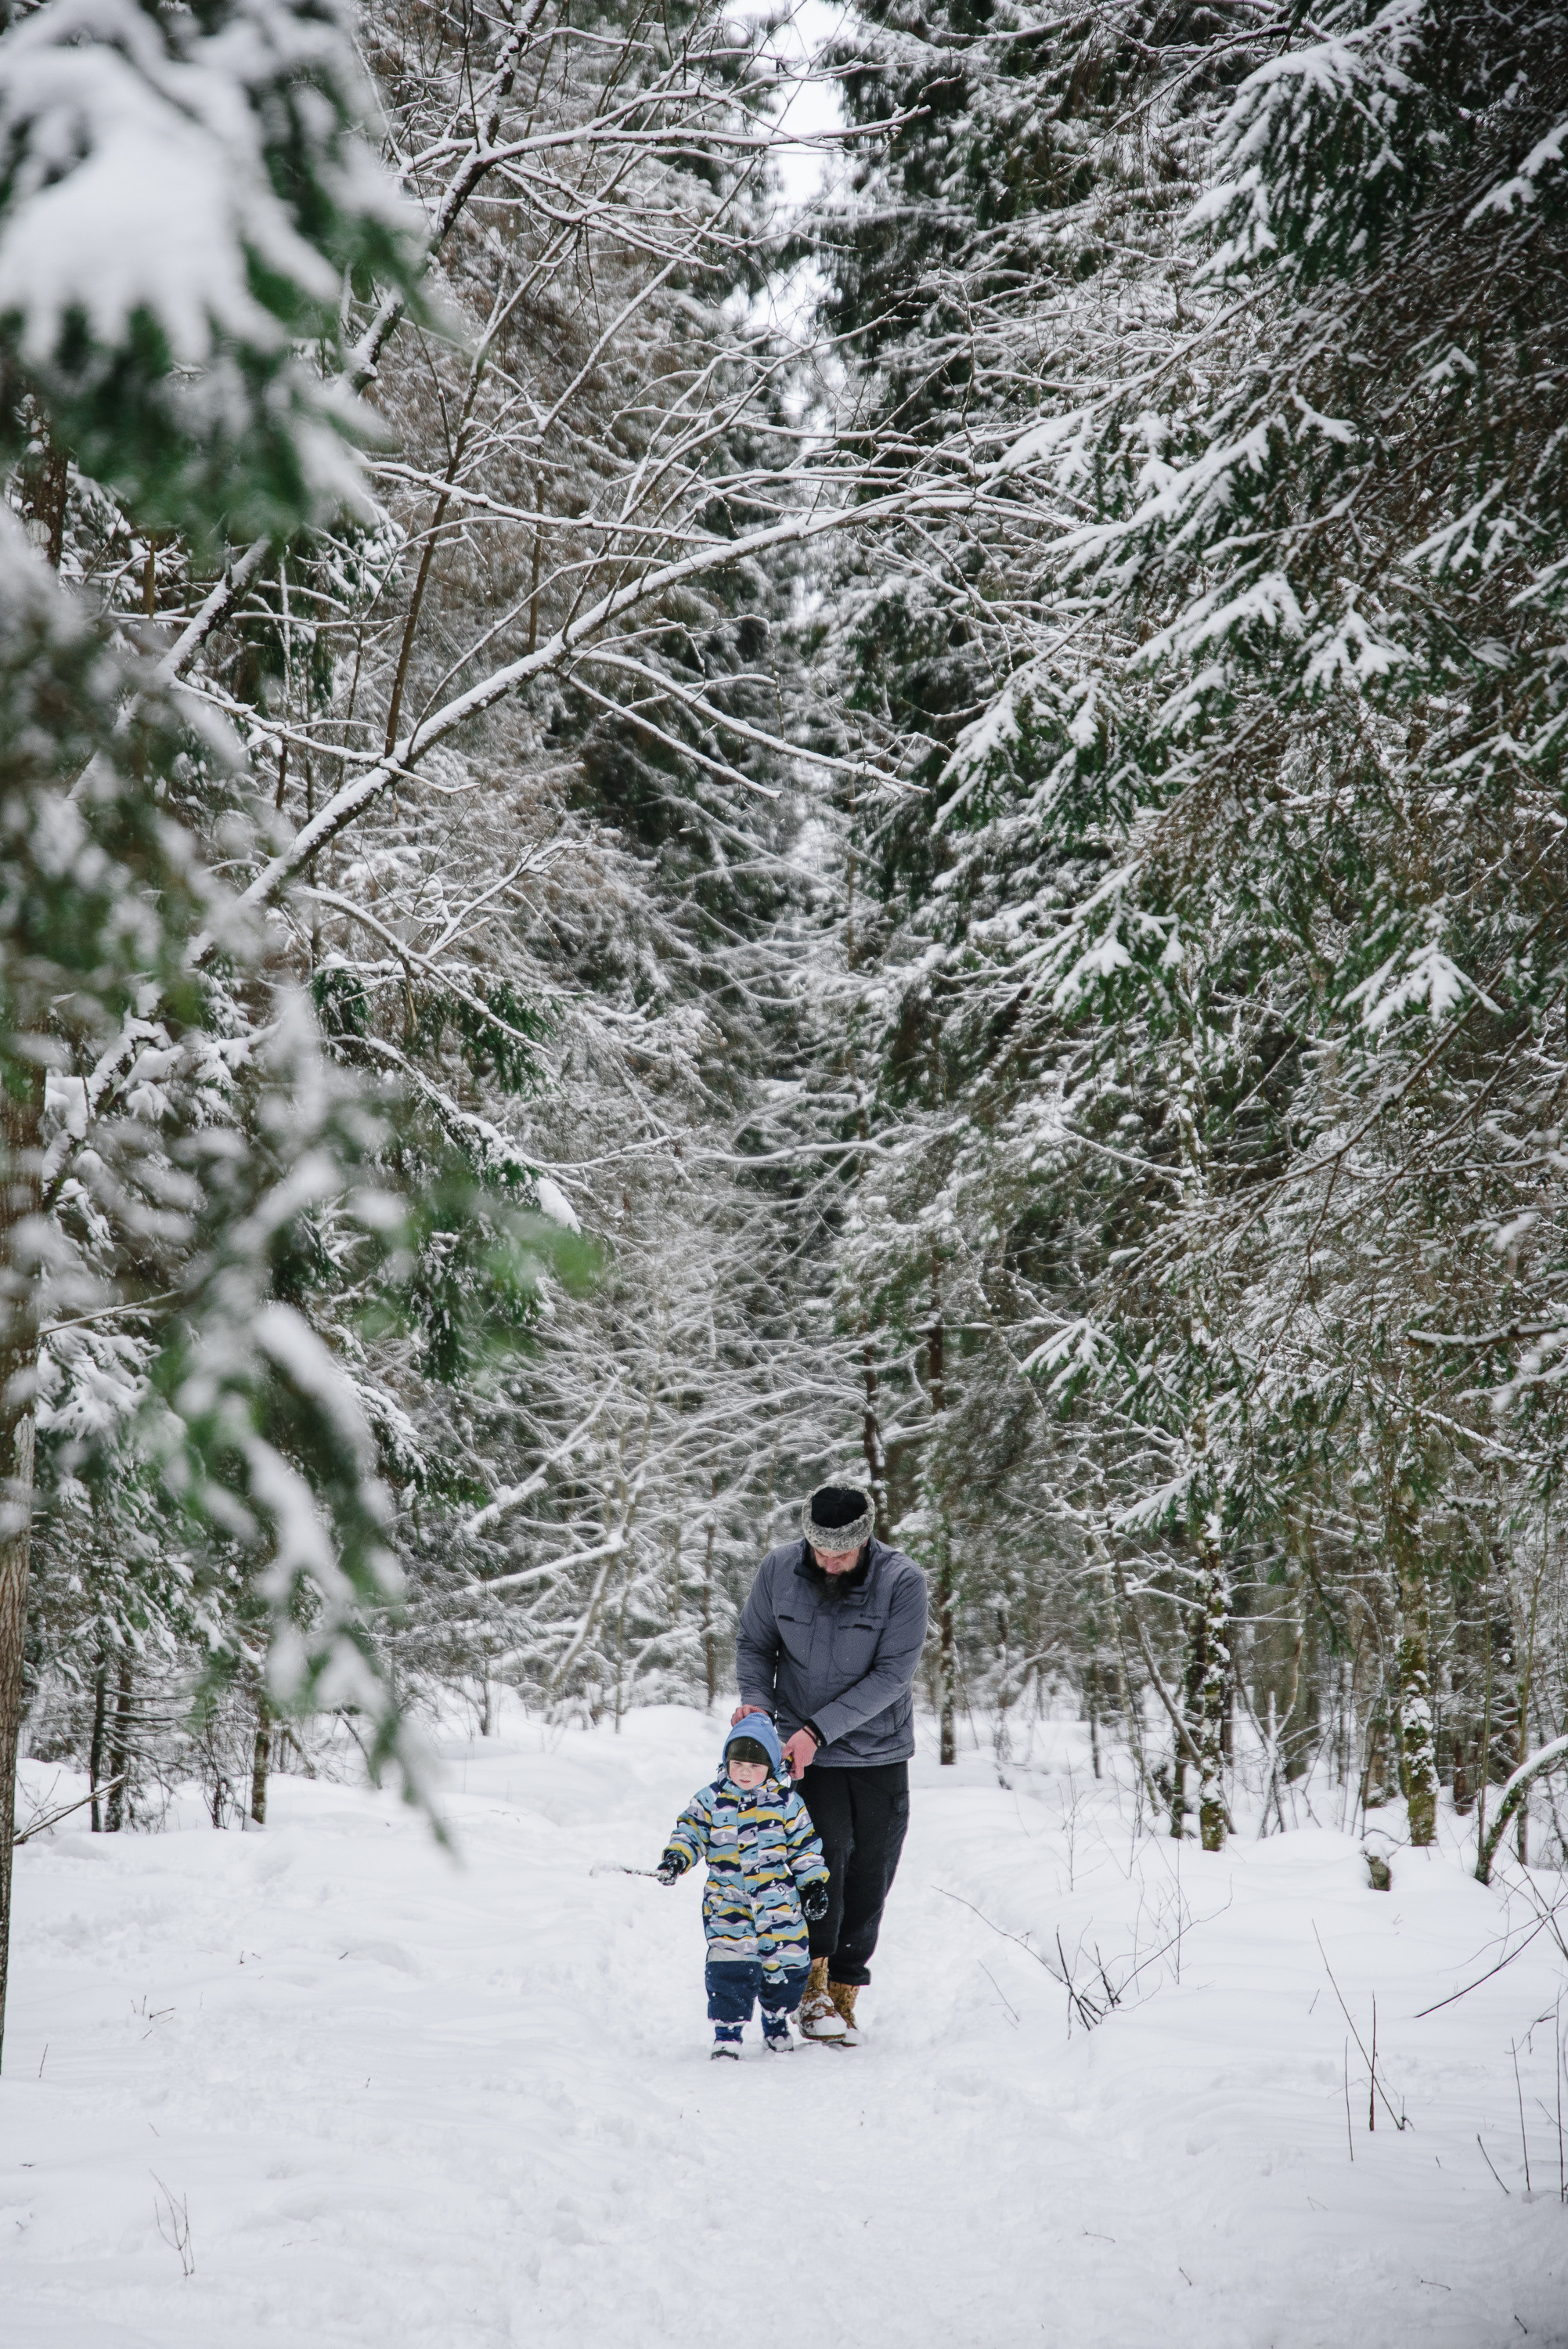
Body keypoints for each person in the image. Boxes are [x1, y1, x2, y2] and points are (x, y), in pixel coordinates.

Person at [733, 1481, 928, 2044]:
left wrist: (820, 1730)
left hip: (877, 1752)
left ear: (865, 1541)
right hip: (799, 1751)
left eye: (841, 1553)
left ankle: (844, 1989)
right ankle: (809, 1985)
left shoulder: (902, 1582)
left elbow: (892, 1677)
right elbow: (754, 1645)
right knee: (820, 1864)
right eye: (820, 1551)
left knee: (870, 1871)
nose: (830, 1562)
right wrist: (758, 1711)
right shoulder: (777, 1570)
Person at [655, 1712, 831, 2059]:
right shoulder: (710, 1800)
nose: (745, 1772)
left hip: (779, 1906)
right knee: (729, 1968)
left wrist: (812, 1886)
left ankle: (776, 2020)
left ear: (771, 1766)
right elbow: (689, 1833)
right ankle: (727, 2032)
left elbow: (805, 1848)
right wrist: (677, 1858)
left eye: (755, 1765)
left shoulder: (787, 1804)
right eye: (737, 1763)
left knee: (788, 1966)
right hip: (728, 1904)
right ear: (726, 1762)